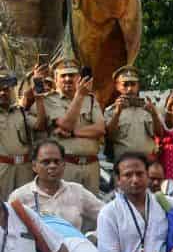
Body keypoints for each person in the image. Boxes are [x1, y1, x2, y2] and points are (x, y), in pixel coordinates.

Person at [38, 59, 104, 194]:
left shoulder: (90, 99)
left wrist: (74, 133)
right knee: (64, 208)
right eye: (63, 76)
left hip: (91, 165)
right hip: (66, 165)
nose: (68, 79)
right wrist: (79, 95)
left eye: (72, 75)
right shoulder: (49, 99)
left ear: (78, 78)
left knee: (91, 211)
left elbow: (100, 129)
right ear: (56, 79)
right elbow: (65, 125)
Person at [103, 65, 163, 163]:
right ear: (117, 86)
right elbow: (109, 136)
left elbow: (159, 134)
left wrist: (154, 115)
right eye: (125, 84)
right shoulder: (111, 110)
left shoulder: (148, 107)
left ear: (138, 86)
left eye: (133, 84)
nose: (130, 88)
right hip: (123, 163)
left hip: (147, 162)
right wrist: (117, 113)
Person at [0, 69, 34, 200]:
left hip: (24, 168)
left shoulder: (20, 112)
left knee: (26, 207)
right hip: (3, 169)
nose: (3, 93)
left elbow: (39, 125)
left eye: (6, 89)